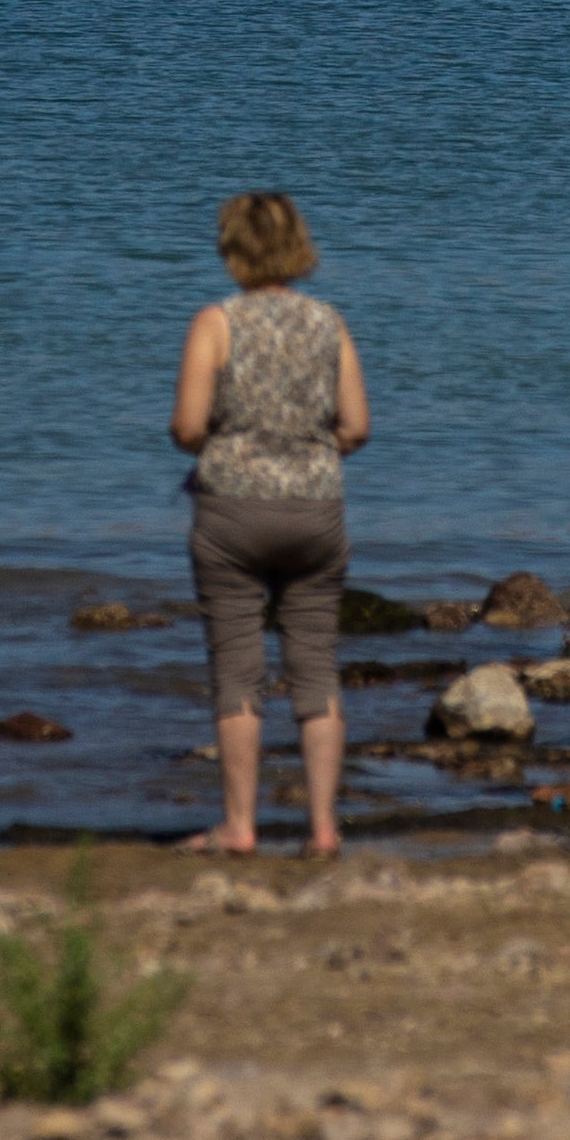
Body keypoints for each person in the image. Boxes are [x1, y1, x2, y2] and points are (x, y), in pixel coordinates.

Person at [169, 190, 370, 855]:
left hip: (232, 511)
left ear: (232, 248)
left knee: (237, 667)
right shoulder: (328, 322)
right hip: (316, 508)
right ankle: (323, 828)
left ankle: (239, 826)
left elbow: (188, 427)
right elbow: (356, 427)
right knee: (315, 666)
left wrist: (232, 448)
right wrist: (303, 450)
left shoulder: (216, 322)